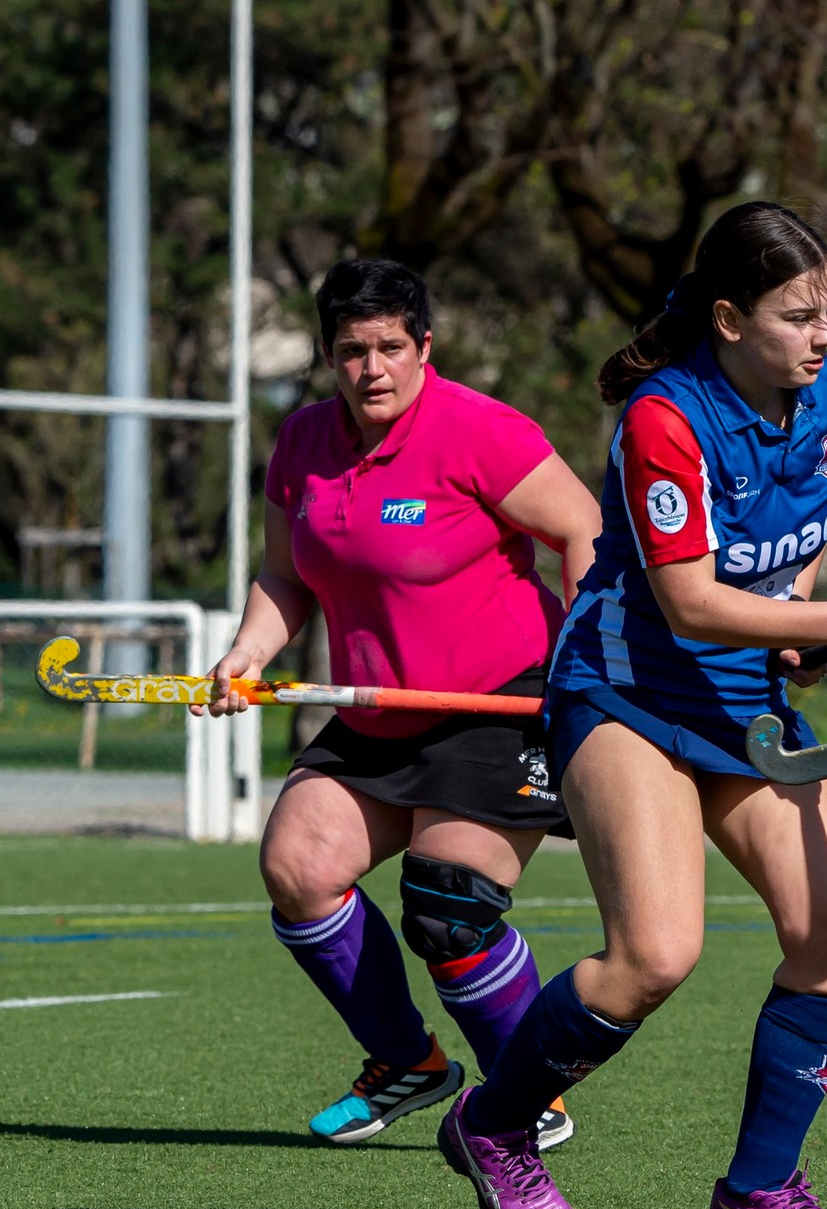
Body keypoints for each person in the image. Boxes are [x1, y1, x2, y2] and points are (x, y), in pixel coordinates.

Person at [434, 202, 827, 1209]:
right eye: (800, 316)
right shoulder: (663, 419)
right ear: (728, 319)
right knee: (655, 954)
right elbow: (691, 603)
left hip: (741, 691)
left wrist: (800, 625)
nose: (825, 336)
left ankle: (756, 1192)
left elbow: (789, 539)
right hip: (628, 689)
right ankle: (494, 1122)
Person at [199, 259, 602, 1149]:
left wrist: (585, 662)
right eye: (351, 350)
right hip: (379, 709)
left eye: (390, 346)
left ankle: (529, 1094)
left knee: (447, 908)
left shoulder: (482, 432)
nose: (372, 367)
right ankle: (407, 1064)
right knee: (299, 866)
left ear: (425, 346)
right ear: (326, 356)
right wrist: (247, 652)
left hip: (498, 703)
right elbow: (282, 573)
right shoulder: (301, 442)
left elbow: (585, 531)